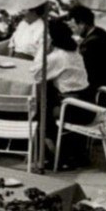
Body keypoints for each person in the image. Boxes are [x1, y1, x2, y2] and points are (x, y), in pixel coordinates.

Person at [33, 19, 90, 169]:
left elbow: (36, 73)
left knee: (41, 111)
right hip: (87, 102)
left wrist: (44, 48)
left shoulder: (57, 57)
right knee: (47, 100)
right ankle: (60, 150)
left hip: (74, 107)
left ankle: (55, 154)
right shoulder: (74, 51)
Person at [68, 5, 106, 99]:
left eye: (73, 27)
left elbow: (81, 67)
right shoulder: (101, 32)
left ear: (82, 24)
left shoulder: (91, 43)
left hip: (99, 90)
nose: (73, 31)